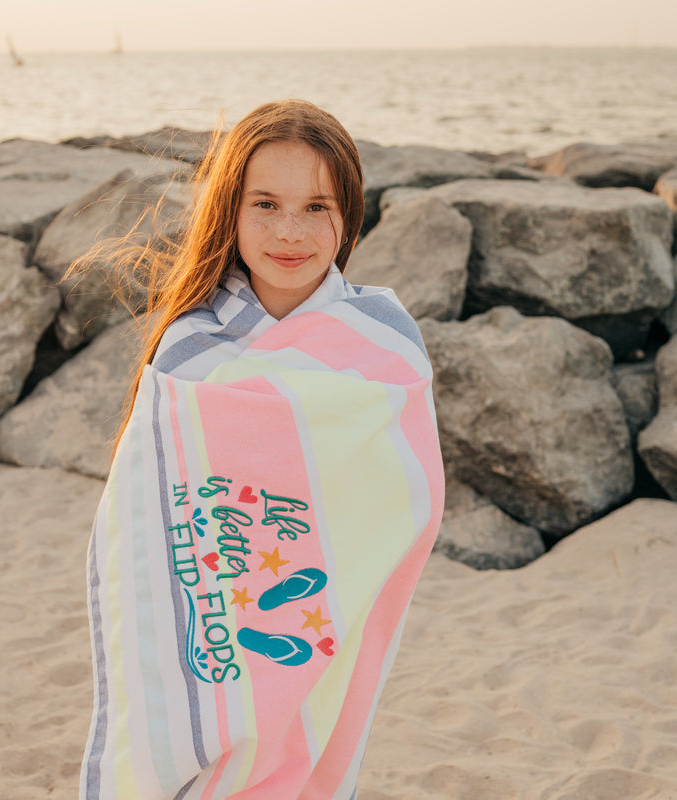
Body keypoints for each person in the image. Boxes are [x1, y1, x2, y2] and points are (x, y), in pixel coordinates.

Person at [80, 99, 445, 800]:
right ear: (230, 210)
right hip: (209, 599)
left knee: (300, 746)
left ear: (350, 215)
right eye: (266, 203)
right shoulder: (191, 345)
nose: (289, 231)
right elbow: (142, 515)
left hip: (320, 607)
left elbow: (409, 496)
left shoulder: (383, 342)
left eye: (317, 207)